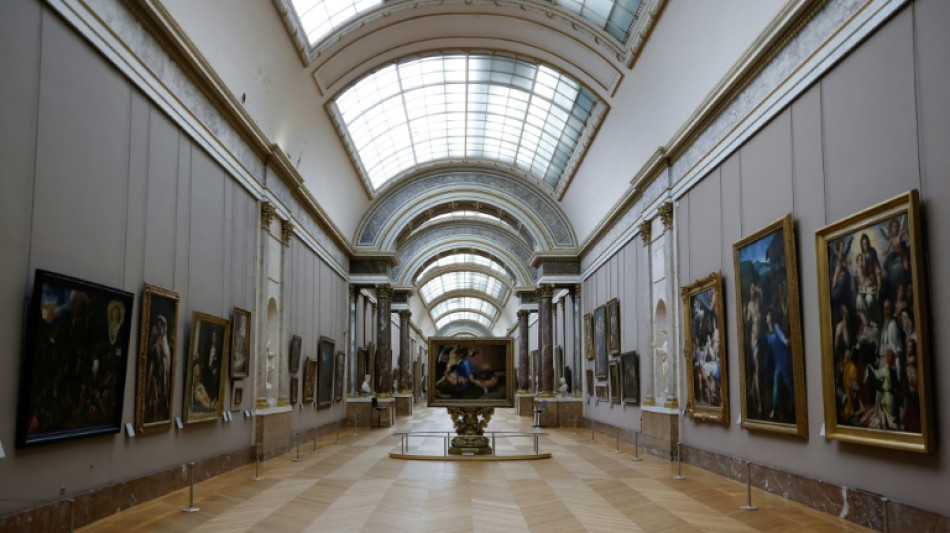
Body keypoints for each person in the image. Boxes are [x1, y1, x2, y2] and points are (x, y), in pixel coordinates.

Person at [764, 311, 793, 421]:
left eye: (770, 315)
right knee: (779, 384)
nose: (769, 317)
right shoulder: (766, 335)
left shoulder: (776, 327)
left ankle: (792, 402)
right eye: (768, 315)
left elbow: (782, 338)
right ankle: (776, 409)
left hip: (783, 359)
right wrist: (765, 364)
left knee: (787, 381)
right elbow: (767, 352)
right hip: (777, 363)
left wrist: (786, 341)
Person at [745, 281, 764, 416]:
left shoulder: (759, 304)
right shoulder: (749, 305)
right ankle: (759, 405)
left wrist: (760, 290)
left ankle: (754, 396)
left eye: (754, 288)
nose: (753, 290)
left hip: (761, 339)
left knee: (759, 371)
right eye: (751, 288)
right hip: (753, 341)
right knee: (757, 370)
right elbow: (746, 323)